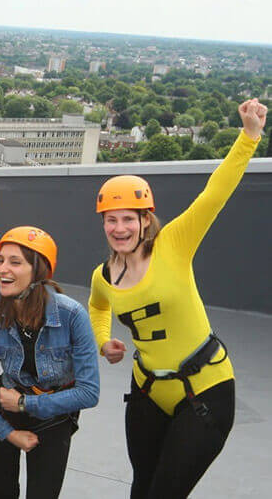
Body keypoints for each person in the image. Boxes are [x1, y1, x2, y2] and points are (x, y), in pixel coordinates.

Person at [88, 98, 267, 499]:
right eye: (111, 220)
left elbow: (213, 194)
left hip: (206, 389)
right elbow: (98, 306)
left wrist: (249, 136)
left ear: (145, 219)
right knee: (142, 488)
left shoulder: (173, 244)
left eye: (129, 218)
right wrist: (104, 340)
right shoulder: (104, 276)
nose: (120, 228)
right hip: (148, 391)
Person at [0, 226, 100, 499]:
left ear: (39, 272)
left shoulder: (72, 316)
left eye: (15, 262)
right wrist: (8, 433)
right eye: (0, 260)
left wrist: (26, 404)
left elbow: (89, 392)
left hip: (53, 416)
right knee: (3, 491)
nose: (2, 269)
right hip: (6, 411)